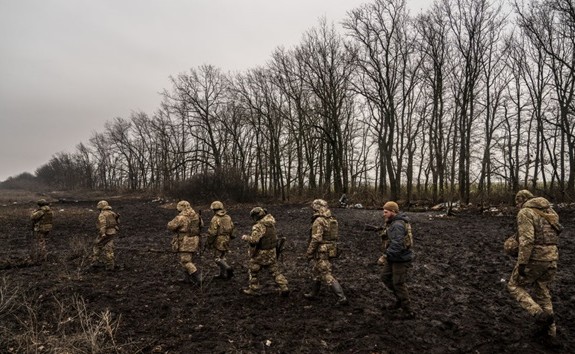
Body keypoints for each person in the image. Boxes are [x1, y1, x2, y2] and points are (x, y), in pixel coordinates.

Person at [507, 190, 562, 347]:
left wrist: (522, 263)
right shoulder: (550, 211)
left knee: (513, 285)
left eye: (517, 202)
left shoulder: (525, 212)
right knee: (543, 292)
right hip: (552, 258)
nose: (517, 205)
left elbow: (527, 240)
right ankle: (551, 333)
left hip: (535, 258)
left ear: (522, 200)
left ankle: (538, 314)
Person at [304, 199, 348, 306]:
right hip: (331, 248)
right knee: (316, 270)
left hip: (322, 250)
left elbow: (316, 239)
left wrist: (309, 252)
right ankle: (313, 293)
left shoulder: (319, 220)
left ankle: (341, 297)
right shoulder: (332, 219)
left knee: (325, 273)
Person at [241, 207, 289, 296]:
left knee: (253, 270)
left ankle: (253, 288)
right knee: (275, 270)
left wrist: (246, 237)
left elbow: (254, 240)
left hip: (261, 253)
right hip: (272, 251)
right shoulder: (271, 224)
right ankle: (284, 286)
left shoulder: (259, 226)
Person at [380, 201, 414, 318]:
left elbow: (397, 244)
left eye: (386, 212)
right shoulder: (393, 223)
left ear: (393, 212)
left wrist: (385, 256)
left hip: (400, 258)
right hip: (394, 257)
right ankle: (399, 299)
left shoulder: (398, 225)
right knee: (385, 277)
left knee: (398, 283)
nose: (383, 214)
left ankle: (408, 310)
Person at [167, 200, 204, 284]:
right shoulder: (196, 216)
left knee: (185, 261)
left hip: (185, 241)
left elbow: (171, 226)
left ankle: (198, 277)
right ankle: (187, 279)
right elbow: (202, 225)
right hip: (195, 240)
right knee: (189, 260)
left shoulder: (180, 217)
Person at [207, 200, 235, 280]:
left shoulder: (215, 218)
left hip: (219, 239)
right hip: (227, 238)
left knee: (217, 258)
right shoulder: (228, 217)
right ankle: (222, 274)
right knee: (222, 256)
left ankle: (228, 268)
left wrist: (209, 242)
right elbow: (232, 227)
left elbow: (213, 232)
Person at [91, 200, 120, 271]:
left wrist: (103, 233)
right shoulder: (112, 213)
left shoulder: (102, 214)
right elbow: (117, 222)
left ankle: (95, 262)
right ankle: (110, 265)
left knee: (97, 246)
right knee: (109, 248)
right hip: (113, 232)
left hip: (106, 233)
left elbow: (103, 225)